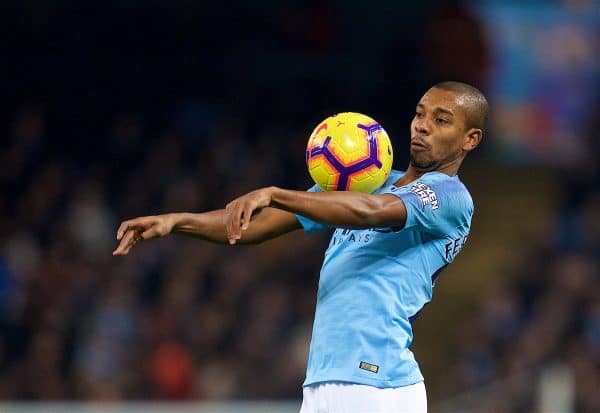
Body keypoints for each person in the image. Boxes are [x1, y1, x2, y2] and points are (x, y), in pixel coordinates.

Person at [113, 81, 488, 413]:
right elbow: (253, 227)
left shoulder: (450, 197)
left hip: (377, 381)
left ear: (470, 138)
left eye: (441, 120)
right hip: (324, 379)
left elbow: (371, 211)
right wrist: (177, 222)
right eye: (419, 114)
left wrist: (276, 193)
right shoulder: (368, 180)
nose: (422, 125)